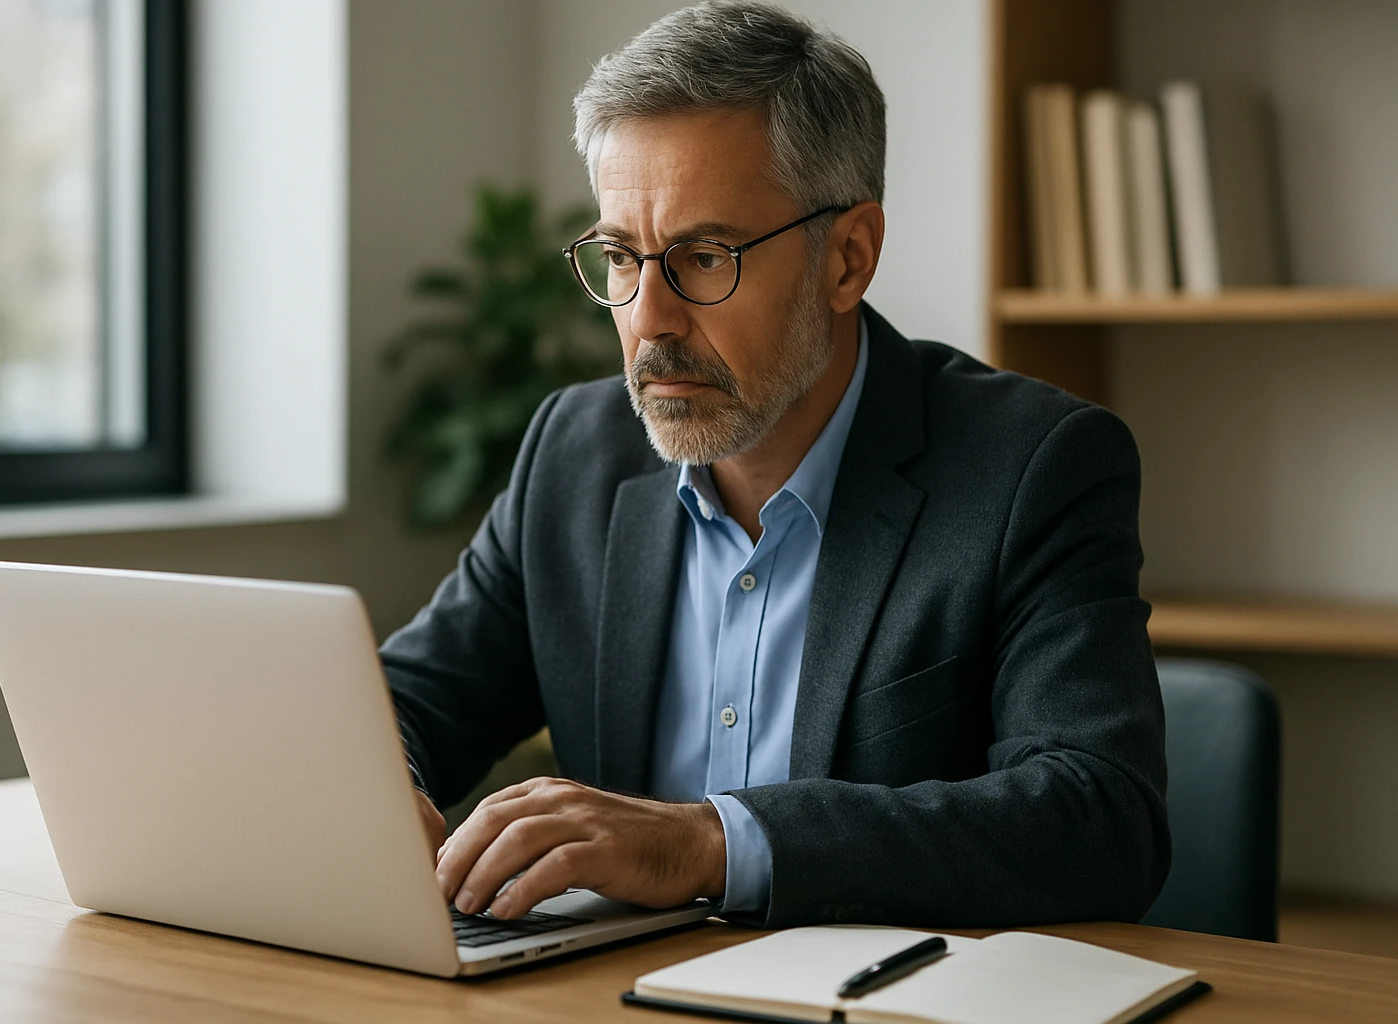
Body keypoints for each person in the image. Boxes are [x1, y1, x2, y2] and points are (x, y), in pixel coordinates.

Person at [383, 0, 1169, 930]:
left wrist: (706, 843)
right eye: (621, 258)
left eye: (704, 257)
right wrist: (377, 780)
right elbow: (409, 697)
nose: (649, 318)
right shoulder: (575, 453)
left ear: (849, 257)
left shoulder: (1032, 467)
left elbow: (1099, 819)